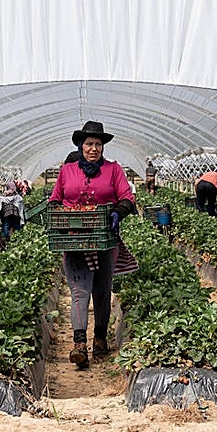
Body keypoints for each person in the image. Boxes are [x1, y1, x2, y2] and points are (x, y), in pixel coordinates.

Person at [49, 121, 136, 367]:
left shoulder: (113, 170)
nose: (94, 149)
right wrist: (57, 213)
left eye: (98, 144)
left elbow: (126, 197)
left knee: (101, 290)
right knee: (79, 291)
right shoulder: (67, 171)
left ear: (103, 147)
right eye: (89, 144)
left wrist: (118, 211)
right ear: (81, 145)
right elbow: (56, 198)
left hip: (104, 239)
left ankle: (99, 338)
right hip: (74, 240)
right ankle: (79, 344)